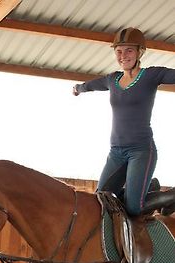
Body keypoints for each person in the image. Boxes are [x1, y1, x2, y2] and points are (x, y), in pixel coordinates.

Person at [73, 27, 175, 216]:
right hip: (116, 153)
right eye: (118, 51)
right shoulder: (113, 79)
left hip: (141, 151)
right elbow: (93, 84)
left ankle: (170, 196)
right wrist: (79, 88)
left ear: (139, 52)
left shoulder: (151, 76)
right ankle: (148, 187)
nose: (123, 56)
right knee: (102, 199)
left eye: (129, 50)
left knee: (134, 208)